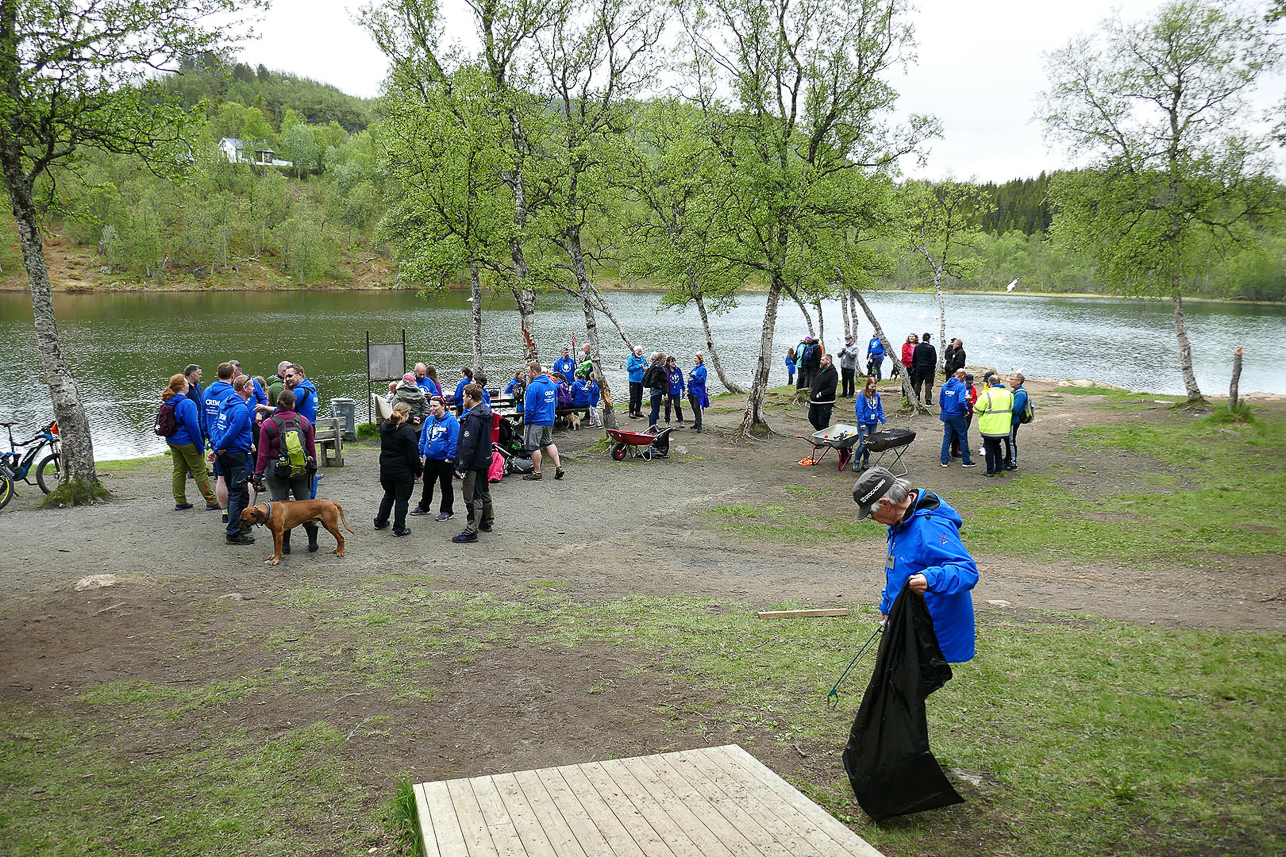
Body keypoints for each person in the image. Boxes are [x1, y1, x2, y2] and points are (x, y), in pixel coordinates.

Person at [852, 467, 979, 663]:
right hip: (908, 621)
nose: (872, 519)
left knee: (910, 688)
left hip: (931, 627)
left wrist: (930, 578)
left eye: (870, 514)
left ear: (885, 504)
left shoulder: (931, 526)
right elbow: (898, 569)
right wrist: (888, 605)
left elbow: (967, 571)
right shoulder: (900, 521)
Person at [253, 389, 320, 555]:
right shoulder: (303, 422)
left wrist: (258, 474)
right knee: (305, 505)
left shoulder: (268, 424)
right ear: (293, 404)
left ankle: (284, 546)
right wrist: (313, 466)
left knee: (279, 506)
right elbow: (311, 447)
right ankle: (312, 544)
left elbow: (262, 453)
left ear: (278, 404)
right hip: (300, 468)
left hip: (276, 468)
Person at [209, 374, 257, 545]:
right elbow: (232, 432)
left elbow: (215, 426)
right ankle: (234, 532)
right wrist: (219, 447)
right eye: (252, 386)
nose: (254, 389)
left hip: (225, 454)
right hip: (236, 455)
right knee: (239, 493)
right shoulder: (242, 409)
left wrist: (217, 447)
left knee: (234, 490)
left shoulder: (226, 403)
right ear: (245, 389)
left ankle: (238, 526)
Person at [162, 374, 218, 511]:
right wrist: (200, 445)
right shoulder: (187, 403)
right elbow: (193, 426)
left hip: (172, 440)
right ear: (182, 387)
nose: (188, 385)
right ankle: (211, 501)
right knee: (199, 471)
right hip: (187, 441)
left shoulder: (169, 400)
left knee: (179, 470)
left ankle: (180, 500)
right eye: (186, 383)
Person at [452, 383, 494, 543]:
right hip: (484, 459)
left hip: (474, 462)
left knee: (472, 495)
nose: (462, 398)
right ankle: (486, 521)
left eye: (464, 396)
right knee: (484, 491)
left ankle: (471, 530)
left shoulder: (473, 419)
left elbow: (468, 444)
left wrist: (462, 465)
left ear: (470, 397)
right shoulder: (486, 413)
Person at [374, 401, 421, 536]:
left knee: (389, 494)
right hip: (403, 470)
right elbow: (413, 454)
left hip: (386, 468)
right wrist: (418, 470)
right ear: (407, 415)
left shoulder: (384, 426)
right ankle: (399, 528)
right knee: (401, 499)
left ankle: (380, 521)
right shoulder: (407, 431)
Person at [411, 396, 459, 521]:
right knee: (427, 484)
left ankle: (447, 510)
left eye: (435, 406)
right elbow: (423, 437)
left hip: (444, 460)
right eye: (431, 406)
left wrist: (450, 457)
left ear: (443, 406)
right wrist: (420, 453)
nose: (432, 409)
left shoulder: (451, 421)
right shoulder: (429, 419)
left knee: (446, 486)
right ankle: (424, 506)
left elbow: (454, 441)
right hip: (430, 458)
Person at [202, 362, 238, 517]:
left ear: (217, 375)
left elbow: (203, 417)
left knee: (220, 476)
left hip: (214, 439)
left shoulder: (207, 391)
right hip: (230, 440)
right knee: (236, 477)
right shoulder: (231, 394)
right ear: (232, 376)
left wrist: (209, 435)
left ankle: (224, 510)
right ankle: (235, 509)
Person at [521, 362, 565, 481]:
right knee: (549, 442)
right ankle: (558, 467)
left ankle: (537, 472)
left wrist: (527, 421)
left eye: (528, 372)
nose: (527, 374)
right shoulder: (552, 384)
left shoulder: (533, 387)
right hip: (549, 419)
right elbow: (554, 403)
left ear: (534, 372)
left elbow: (529, 408)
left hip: (536, 420)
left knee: (534, 446)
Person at [974, 372, 1014, 477]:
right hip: (1003, 427)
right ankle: (999, 468)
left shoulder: (986, 395)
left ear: (989, 383)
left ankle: (990, 470)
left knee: (989, 448)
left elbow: (977, 409)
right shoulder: (1009, 394)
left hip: (989, 427)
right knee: (998, 446)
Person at [938, 369, 976, 469]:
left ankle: (944, 460)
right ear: (962, 376)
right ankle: (966, 460)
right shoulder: (961, 386)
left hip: (947, 415)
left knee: (947, 437)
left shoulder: (945, 386)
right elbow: (960, 400)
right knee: (962, 437)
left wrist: (946, 410)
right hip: (958, 415)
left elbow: (941, 401)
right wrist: (965, 410)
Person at [854, 375, 886, 471]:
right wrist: (862, 422)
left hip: (873, 423)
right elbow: (859, 410)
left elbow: (879, 408)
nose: (873, 388)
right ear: (867, 385)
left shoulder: (877, 396)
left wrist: (881, 418)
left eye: (875, 386)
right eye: (872, 386)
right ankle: (856, 461)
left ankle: (866, 461)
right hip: (864, 424)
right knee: (863, 443)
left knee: (870, 443)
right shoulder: (862, 396)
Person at [808, 353, 838, 431]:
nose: (820, 361)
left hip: (825, 402)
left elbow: (832, 387)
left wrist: (821, 394)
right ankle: (821, 432)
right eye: (821, 360)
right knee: (811, 417)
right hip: (815, 401)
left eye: (823, 360)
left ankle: (825, 437)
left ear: (828, 361)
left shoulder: (833, 372)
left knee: (823, 421)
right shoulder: (820, 370)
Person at [1007, 373, 1028, 471]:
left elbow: (1015, 409)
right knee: (1008, 440)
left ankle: (1013, 462)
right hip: (1011, 420)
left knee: (1011, 441)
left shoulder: (1020, 393)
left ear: (1018, 381)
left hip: (1014, 420)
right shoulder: (1016, 391)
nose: (1010, 381)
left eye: (1012, 379)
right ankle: (1008, 458)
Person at [911, 333, 937, 407]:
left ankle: (916, 398)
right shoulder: (931, 347)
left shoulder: (917, 347)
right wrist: (932, 368)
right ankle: (928, 400)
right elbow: (933, 359)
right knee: (928, 384)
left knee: (918, 383)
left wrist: (914, 367)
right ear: (929, 338)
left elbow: (914, 358)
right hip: (928, 369)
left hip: (919, 368)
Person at [643, 352, 667, 429]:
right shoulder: (657, 368)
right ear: (660, 359)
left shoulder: (655, 366)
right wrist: (661, 387)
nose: (665, 361)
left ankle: (653, 425)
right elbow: (653, 381)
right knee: (655, 410)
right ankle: (652, 427)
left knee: (655, 409)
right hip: (656, 391)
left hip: (656, 391)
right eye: (664, 359)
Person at [688, 353, 710, 433]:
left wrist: (694, 377)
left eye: (696, 358)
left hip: (698, 391)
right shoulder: (695, 368)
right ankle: (696, 423)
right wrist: (690, 379)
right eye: (694, 358)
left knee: (697, 408)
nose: (694, 360)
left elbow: (702, 380)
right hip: (692, 391)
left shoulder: (702, 369)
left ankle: (699, 426)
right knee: (694, 408)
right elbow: (691, 377)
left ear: (700, 359)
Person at [664, 356, 686, 428]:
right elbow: (664, 383)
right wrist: (665, 393)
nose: (673, 363)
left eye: (674, 361)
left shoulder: (678, 370)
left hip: (676, 392)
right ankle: (667, 421)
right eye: (671, 361)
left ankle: (681, 420)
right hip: (668, 392)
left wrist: (683, 389)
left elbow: (681, 380)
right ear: (668, 363)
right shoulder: (665, 370)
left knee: (677, 406)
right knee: (667, 407)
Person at [627, 346, 647, 419]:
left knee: (639, 397)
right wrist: (638, 366)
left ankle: (638, 411)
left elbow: (645, 365)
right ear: (635, 351)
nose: (640, 353)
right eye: (638, 351)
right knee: (633, 397)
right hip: (633, 380)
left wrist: (645, 368)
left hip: (640, 380)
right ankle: (631, 411)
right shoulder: (631, 358)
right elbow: (629, 368)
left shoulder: (643, 358)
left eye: (641, 351)